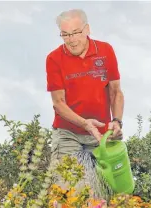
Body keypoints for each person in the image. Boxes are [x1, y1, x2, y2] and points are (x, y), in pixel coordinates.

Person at [45, 8, 125, 206]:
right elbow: (58, 103)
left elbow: (116, 91)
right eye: (65, 35)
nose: (71, 40)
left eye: (75, 33)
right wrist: (84, 123)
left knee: (100, 196)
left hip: (100, 135)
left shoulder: (105, 51)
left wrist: (117, 121)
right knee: (68, 193)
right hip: (68, 133)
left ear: (87, 29)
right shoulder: (54, 59)